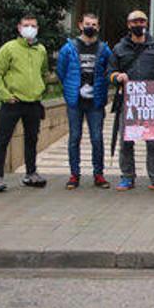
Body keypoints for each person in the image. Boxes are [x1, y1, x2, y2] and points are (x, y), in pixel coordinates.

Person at [108, 10, 154, 192]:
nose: (139, 24)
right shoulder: (119, 48)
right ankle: (127, 177)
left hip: (151, 103)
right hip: (128, 103)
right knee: (126, 142)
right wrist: (117, 77)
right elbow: (110, 73)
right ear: (129, 25)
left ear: (146, 24)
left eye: (142, 21)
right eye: (135, 21)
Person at [0, 15, 50, 192]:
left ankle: (31, 173)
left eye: (33, 25)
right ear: (19, 28)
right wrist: (5, 94)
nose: (29, 28)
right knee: (3, 139)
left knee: (32, 139)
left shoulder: (41, 50)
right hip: (12, 102)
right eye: (26, 25)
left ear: (38, 28)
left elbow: (44, 72)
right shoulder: (9, 48)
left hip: (33, 103)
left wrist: (41, 90)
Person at [56, 13, 113, 190]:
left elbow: (109, 69)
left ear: (98, 27)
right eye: (88, 24)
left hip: (95, 101)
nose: (91, 27)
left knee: (97, 138)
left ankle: (99, 174)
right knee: (74, 137)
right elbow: (61, 71)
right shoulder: (69, 48)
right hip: (75, 101)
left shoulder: (104, 49)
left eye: (94, 24)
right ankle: (74, 175)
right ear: (80, 25)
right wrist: (70, 88)